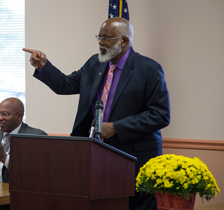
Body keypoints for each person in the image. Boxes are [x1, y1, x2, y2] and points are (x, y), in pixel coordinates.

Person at [24, 17, 170, 210]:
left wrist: (117, 127)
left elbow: (159, 115)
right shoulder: (95, 63)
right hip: (96, 155)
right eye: (99, 37)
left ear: (124, 41)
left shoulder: (148, 69)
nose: (101, 42)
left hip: (133, 157)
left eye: (107, 38)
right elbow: (66, 85)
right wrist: (44, 66)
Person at [0, 97, 47, 183]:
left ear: (19, 116)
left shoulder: (35, 137)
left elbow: (34, 172)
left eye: (4, 114)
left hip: (17, 192)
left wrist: (3, 157)